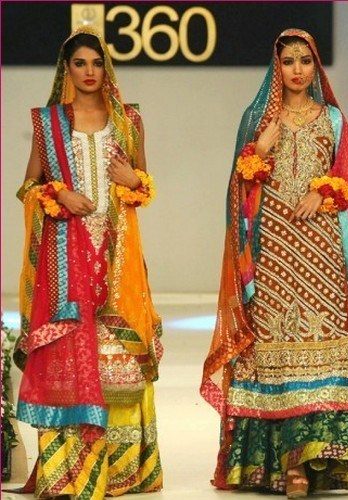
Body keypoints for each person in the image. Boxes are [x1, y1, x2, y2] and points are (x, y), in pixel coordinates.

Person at [201, 28, 348, 498]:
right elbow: (236, 191)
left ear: (315, 65)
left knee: (322, 345)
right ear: (276, 67)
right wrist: (258, 151)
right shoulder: (257, 119)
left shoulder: (333, 119)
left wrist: (324, 190)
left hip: (322, 252)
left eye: (305, 60)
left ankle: (313, 460)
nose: (297, 69)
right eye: (288, 61)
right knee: (272, 351)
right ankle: (284, 464)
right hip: (273, 253)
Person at [13, 26, 163, 499]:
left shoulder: (128, 120)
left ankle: (120, 473)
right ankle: (66, 474)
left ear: (107, 67)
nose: (90, 71)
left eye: (97, 63)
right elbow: (28, 187)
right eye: (80, 63)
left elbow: (143, 184)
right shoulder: (49, 123)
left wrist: (131, 179)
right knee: (69, 359)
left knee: (116, 363)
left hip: (117, 255)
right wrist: (59, 194)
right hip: (65, 258)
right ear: (67, 70)